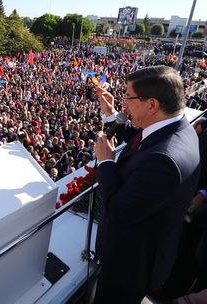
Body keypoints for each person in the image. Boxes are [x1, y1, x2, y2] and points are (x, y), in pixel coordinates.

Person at [93, 65, 201, 303]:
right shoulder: (177, 128)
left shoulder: (164, 160)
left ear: (151, 104)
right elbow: (142, 140)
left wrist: (106, 163)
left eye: (129, 97)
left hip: (130, 265)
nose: (125, 103)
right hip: (142, 252)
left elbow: (120, 211)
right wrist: (111, 114)